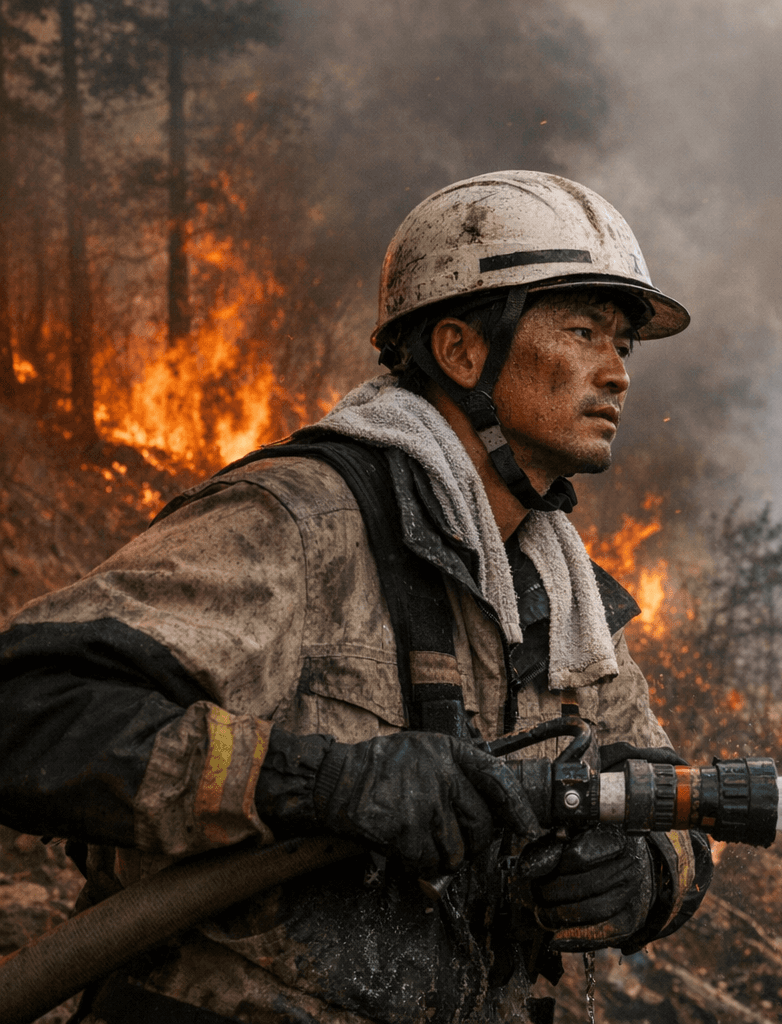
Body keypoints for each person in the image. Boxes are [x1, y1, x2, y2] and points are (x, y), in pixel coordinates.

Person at [0, 171, 711, 1024]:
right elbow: (28, 712)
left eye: (624, 347)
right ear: (460, 350)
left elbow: (677, 802)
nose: (617, 374)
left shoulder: (564, 603)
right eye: (585, 331)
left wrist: (645, 877)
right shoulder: (300, 522)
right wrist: (325, 786)